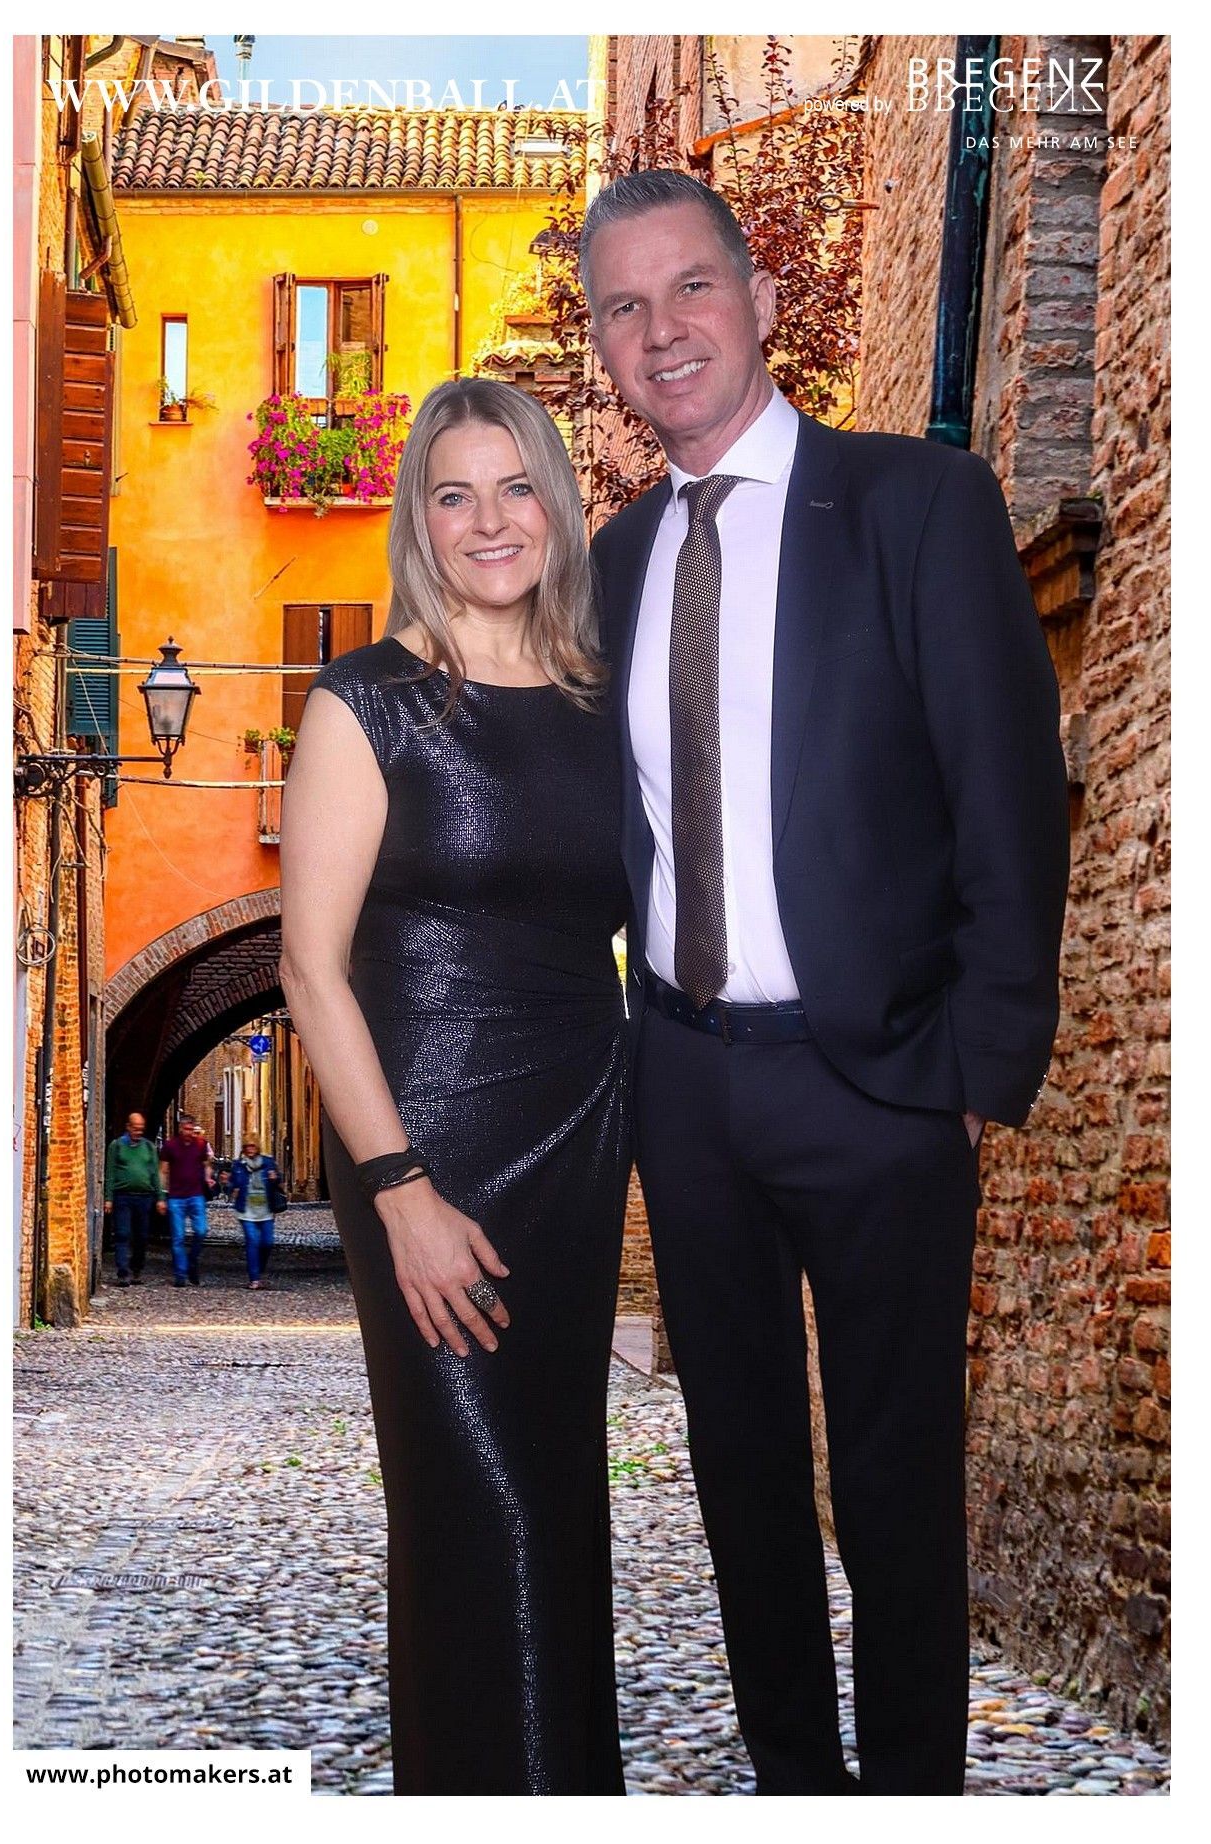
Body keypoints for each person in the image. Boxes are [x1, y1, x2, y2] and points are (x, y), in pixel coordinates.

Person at [581, 169, 1069, 1797]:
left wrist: (972, 1071)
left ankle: (911, 1798)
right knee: (740, 1473)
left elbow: (1010, 794)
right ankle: (796, 1786)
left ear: (763, 302)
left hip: (883, 1080)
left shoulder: (918, 505)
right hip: (688, 1082)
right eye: (625, 307)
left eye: (691, 288)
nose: (664, 330)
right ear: (603, 345)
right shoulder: (613, 564)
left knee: (894, 1479)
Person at [280, 377, 631, 1795]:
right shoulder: (367, 702)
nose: (491, 522)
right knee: (476, 1495)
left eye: (516, 487)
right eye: (454, 494)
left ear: (557, 503)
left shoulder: (606, 701)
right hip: (430, 1137)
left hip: (579, 1130)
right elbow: (309, 969)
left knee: (557, 1491)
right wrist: (398, 1188)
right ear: (419, 523)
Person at [104, 1111, 163, 1285]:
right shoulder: (117, 1146)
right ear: (128, 1127)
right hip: (122, 1196)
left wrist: (160, 1197)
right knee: (122, 1234)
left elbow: (154, 1174)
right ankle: (123, 1272)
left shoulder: (149, 1147)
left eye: (141, 1128)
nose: (138, 1131)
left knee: (141, 1236)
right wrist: (108, 1198)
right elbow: (110, 1172)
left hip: (144, 1197)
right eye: (135, 1128)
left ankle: (136, 1268)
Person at [159, 1114, 215, 1287]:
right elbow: (163, 1171)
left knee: (201, 1231)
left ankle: (192, 1260)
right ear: (180, 1129)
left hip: (196, 1194)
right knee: (178, 1237)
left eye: (191, 1129)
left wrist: (208, 1178)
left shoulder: (201, 1145)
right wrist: (162, 1196)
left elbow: (206, 1164)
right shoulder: (170, 1146)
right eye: (186, 1129)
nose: (189, 1132)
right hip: (176, 1197)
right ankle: (180, 1273)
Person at [229, 1138, 282, 1289]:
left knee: (267, 1242)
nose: (250, 1149)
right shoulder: (239, 1165)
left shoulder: (268, 1162)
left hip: (265, 1210)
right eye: (247, 1146)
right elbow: (232, 1183)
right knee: (252, 1241)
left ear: (257, 1147)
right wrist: (232, 1188)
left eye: (253, 1146)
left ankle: (259, 1267)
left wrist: (275, 1178)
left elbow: (279, 1180)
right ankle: (254, 1278)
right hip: (246, 1210)